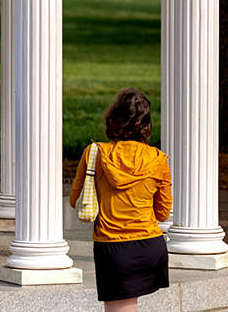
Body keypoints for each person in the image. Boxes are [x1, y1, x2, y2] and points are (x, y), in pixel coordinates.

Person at [70, 88, 172, 312]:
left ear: (113, 118)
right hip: (150, 246)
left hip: (114, 249)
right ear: (146, 124)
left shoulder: (95, 153)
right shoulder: (158, 159)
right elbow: (163, 213)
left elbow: (75, 200)